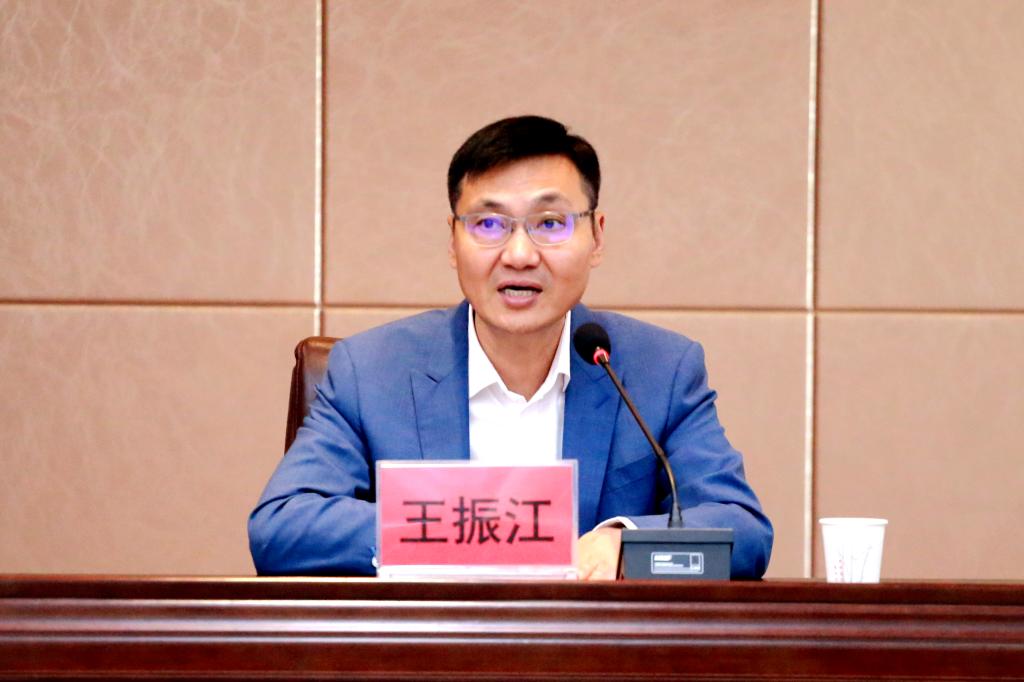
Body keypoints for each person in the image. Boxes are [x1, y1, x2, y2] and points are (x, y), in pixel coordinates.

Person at [248, 115, 772, 579]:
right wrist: (473, 532)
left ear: (597, 237)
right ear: (452, 241)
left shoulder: (660, 370)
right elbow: (282, 527)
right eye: (488, 224)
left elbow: (742, 531)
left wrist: (625, 543)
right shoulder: (371, 371)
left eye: (551, 224)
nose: (519, 254)